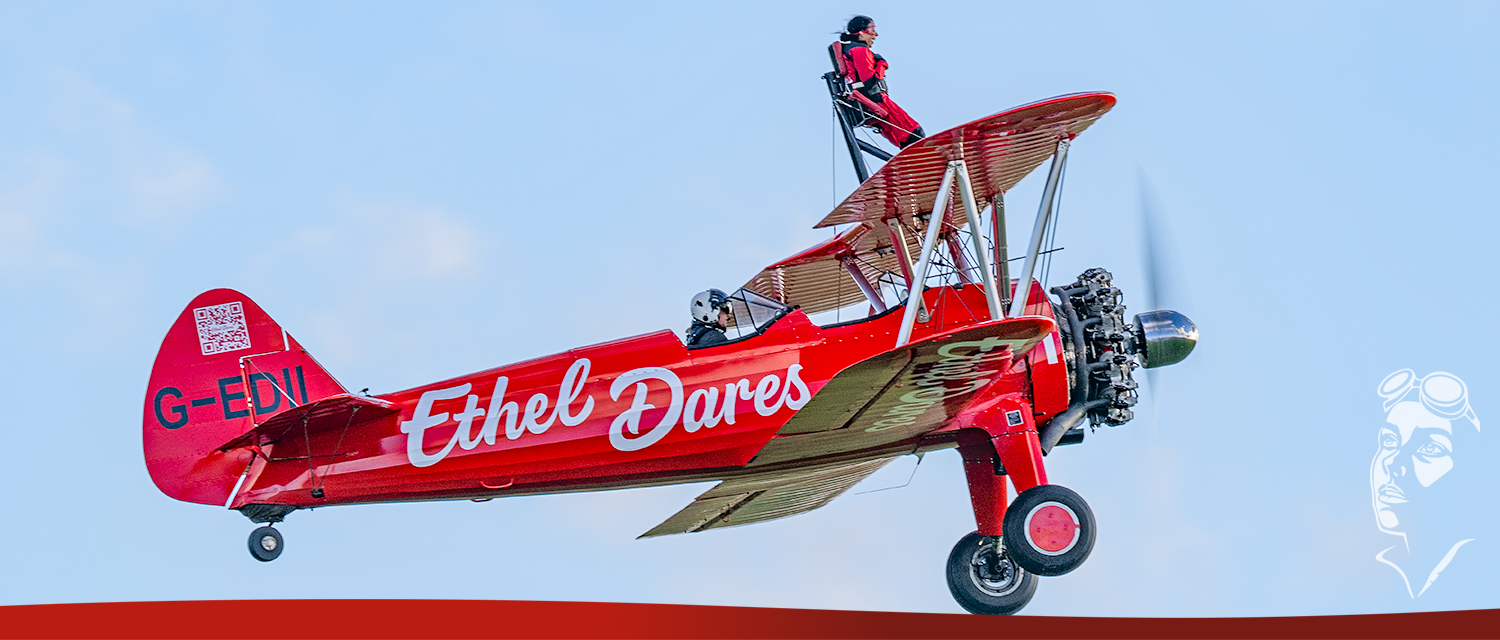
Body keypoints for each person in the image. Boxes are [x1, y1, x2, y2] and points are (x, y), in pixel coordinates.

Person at [1370, 369, 1487, 598]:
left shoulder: (1483, 569)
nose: (1393, 464)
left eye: (1430, 448)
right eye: (1390, 441)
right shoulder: (1374, 571)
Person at [837, 15, 925, 149]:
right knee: (915, 133)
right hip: (878, 101)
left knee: (904, 138)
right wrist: (881, 64)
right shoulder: (860, 50)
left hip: (868, 104)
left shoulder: (849, 50)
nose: (875, 35)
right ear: (862, 33)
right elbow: (870, 81)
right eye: (872, 30)